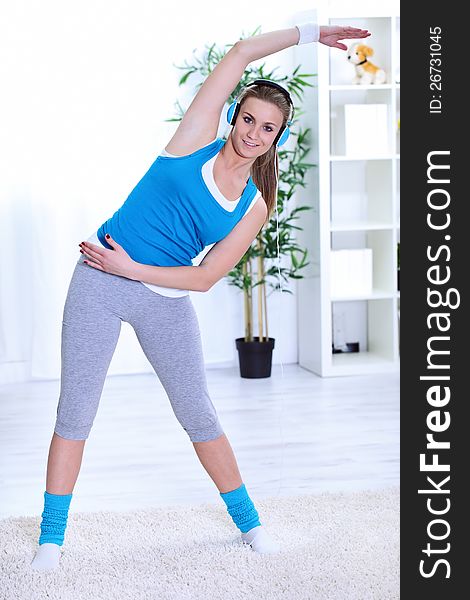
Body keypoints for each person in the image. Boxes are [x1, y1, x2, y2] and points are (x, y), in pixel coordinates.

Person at [31, 21, 370, 571]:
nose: (253, 133)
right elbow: (240, 52)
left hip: (160, 294)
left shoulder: (254, 205)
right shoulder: (194, 137)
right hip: (97, 279)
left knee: (198, 413)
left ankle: (250, 525)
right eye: (249, 119)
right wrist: (309, 33)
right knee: (76, 411)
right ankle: (51, 540)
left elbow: (206, 277)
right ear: (235, 114)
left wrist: (132, 266)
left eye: (268, 129)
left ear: (277, 138)